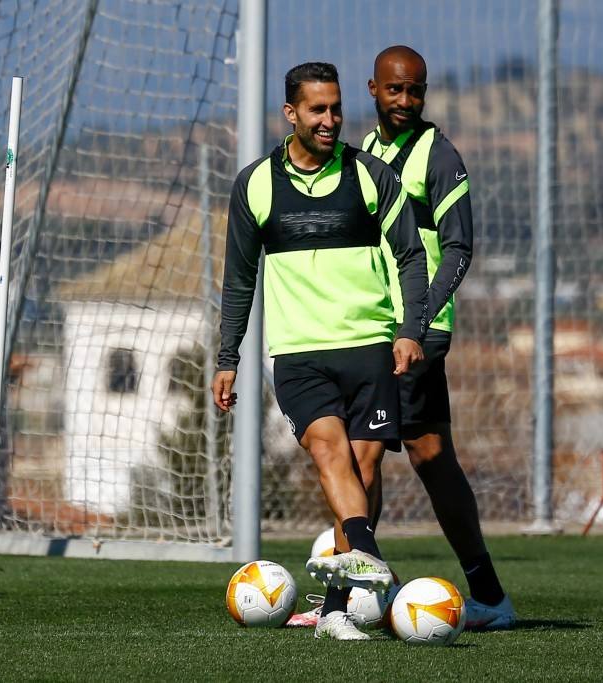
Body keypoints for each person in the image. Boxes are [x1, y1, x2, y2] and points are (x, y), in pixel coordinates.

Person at [212, 61, 429, 641]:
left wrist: (410, 330)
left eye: (336, 108)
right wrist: (227, 357)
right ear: (291, 114)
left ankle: (335, 608)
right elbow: (238, 280)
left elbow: (411, 255)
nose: (331, 119)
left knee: (365, 467)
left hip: (369, 345)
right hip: (299, 352)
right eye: (317, 110)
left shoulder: (371, 177)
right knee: (331, 453)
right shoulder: (255, 184)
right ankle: (368, 556)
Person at [363, 45, 514, 629]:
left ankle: (353, 595)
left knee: (363, 450)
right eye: (395, 89)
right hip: (376, 324)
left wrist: (419, 321)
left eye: (415, 90)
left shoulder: (438, 155)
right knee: (430, 456)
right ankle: (491, 596)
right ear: (373, 90)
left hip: (415, 332)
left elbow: (459, 247)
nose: (405, 100)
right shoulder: (368, 153)